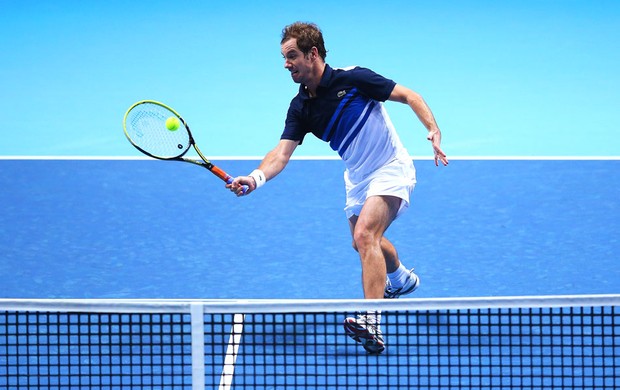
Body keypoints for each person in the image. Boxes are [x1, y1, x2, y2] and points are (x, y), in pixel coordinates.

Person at [228, 22, 448, 354]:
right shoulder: (301, 107)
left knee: (365, 236)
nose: (286, 64)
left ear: (312, 53)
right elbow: (281, 153)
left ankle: (372, 321)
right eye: (284, 58)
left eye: (292, 56)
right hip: (357, 179)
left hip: (391, 167)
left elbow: (408, 95)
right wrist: (255, 177)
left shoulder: (353, 78)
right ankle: (401, 279)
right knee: (363, 243)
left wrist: (432, 129)